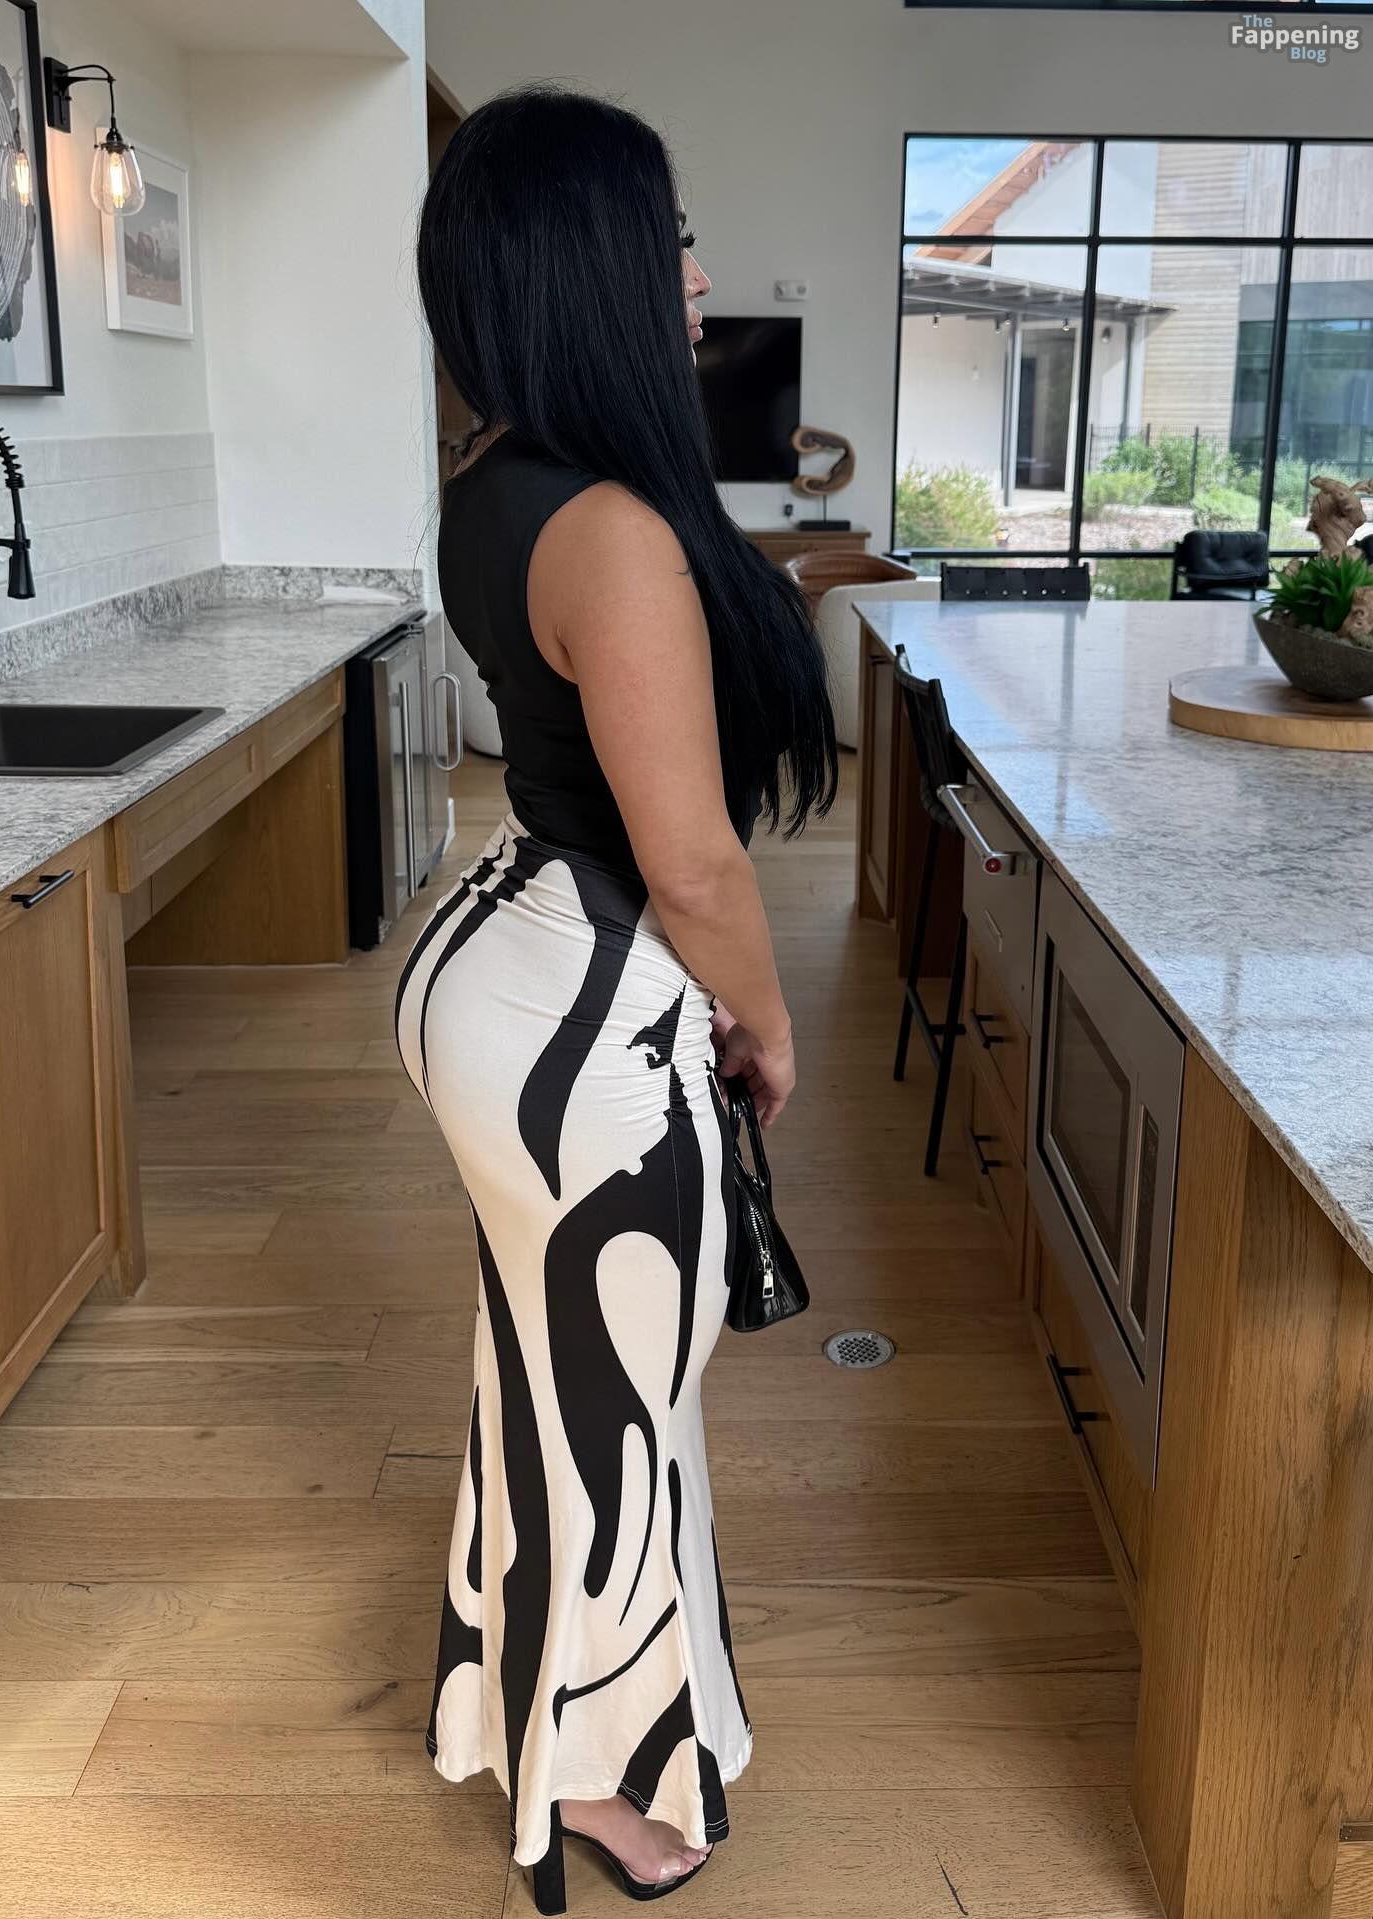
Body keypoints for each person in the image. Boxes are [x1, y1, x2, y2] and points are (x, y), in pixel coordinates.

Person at [398, 82, 836, 1914]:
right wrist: (771, 1028)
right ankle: (600, 1774)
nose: (700, 277)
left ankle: (512, 1692)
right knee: (619, 1408)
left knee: (550, 1368)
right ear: (587, 264)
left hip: (502, 962)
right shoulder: (617, 534)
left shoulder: (494, 484)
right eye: (672, 243)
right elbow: (697, 868)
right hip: (586, 1017)